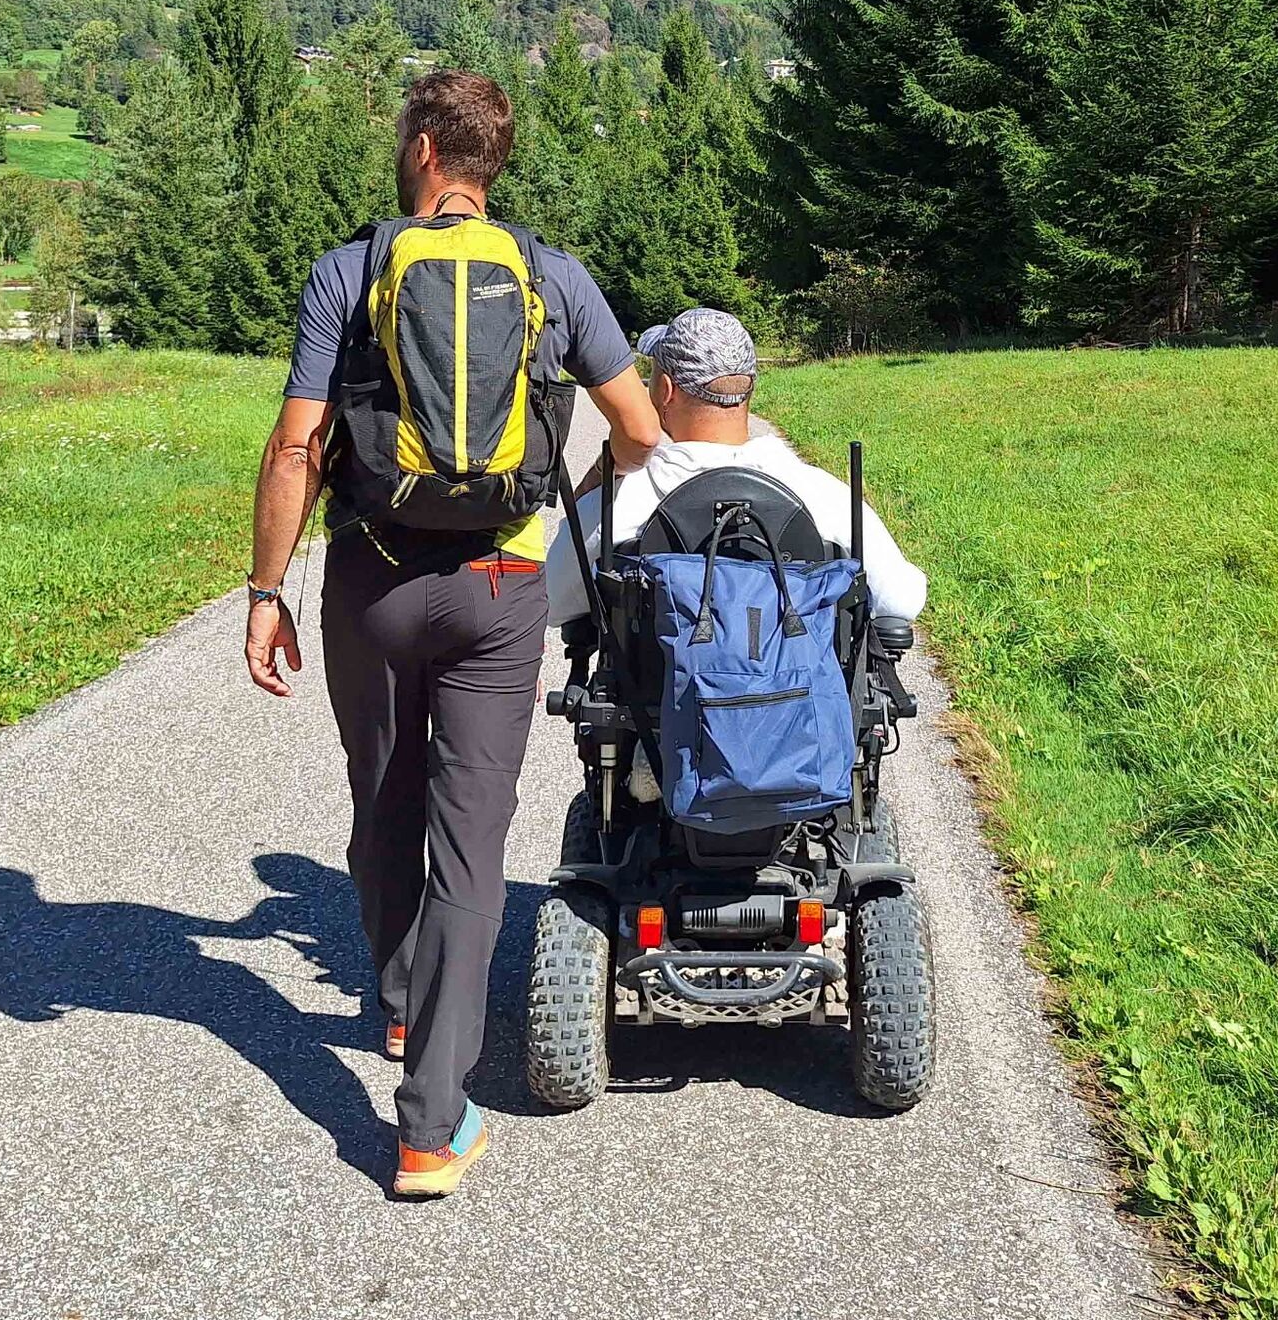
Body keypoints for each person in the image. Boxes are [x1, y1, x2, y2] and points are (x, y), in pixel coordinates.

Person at [243, 68, 659, 1200]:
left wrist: (266, 590)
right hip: (498, 586)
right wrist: (568, 506)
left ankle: (394, 1005)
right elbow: (637, 428)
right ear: (490, 161)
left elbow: (294, 447)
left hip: (372, 583)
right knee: (470, 842)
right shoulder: (552, 276)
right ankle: (431, 1123)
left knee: (382, 800)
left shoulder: (351, 269)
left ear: (426, 147)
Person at [545, 305, 927, 628]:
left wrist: (604, 472)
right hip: (794, 691)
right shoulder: (820, 495)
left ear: (666, 390)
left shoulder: (623, 502)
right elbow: (902, 601)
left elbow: (551, 602)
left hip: (654, 693)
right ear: (749, 389)